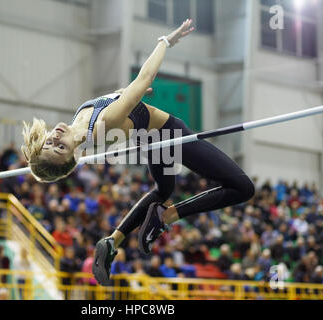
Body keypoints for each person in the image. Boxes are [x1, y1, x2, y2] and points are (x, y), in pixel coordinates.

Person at [20, 19, 255, 286]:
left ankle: (112, 241)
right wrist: (165, 42)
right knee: (243, 188)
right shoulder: (102, 124)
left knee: (163, 191)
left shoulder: (79, 118)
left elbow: (119, 96)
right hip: (171, 135)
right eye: (60, 148)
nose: (55, 138)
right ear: (74, 156)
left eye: (50, 143)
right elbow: (144, 78)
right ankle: (168, 215)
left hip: (152, 140)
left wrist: (129, 96)